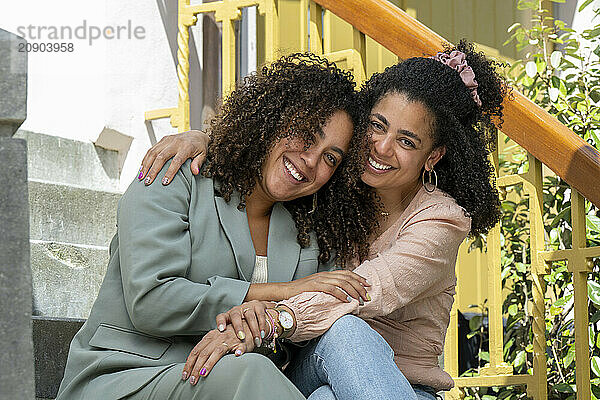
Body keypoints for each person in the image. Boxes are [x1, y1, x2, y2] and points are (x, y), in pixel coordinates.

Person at [139, 40, 506, 400]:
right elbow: (272, 150)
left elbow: (363, 290)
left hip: (400, 385)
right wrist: (205, 140)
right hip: (312, 361)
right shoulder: (332, 185)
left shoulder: (441, 219)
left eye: (406, 142)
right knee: (344, 335)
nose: (382, 147)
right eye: (377, 126)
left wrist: (272, 320)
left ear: (433, 156)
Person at [55, 53, 383, 400]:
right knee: (252, 373)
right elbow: (151, 301)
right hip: (124, 375)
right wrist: (278, 293)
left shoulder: (312, 233)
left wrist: (258, 329)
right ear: (272, 119)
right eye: (306, 133)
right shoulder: (176, 172)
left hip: (228, 378)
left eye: (331, 157)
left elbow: (301, 337)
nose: (311, 159)